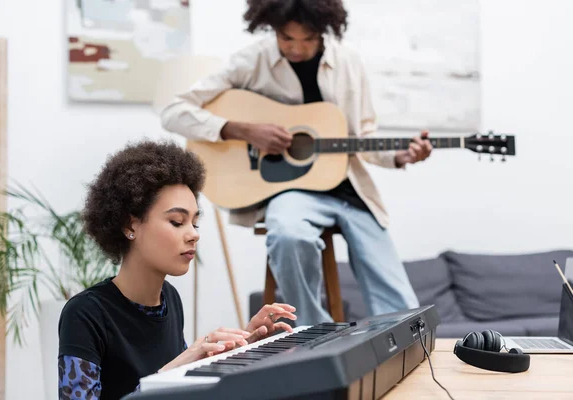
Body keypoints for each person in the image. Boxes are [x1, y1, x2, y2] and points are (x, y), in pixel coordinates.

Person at [160, 0, 432, 326]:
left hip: (350, 189)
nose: (296, 49)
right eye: (286, 38)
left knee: (395, 292)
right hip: (291, 192)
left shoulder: (348, 62)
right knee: (288, 236)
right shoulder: (252, 60)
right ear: (271, 27)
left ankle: (403, 344)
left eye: (308, 39)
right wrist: (240, 129)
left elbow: (364, 135)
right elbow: (174, 111)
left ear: (324, 31)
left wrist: (400, 157)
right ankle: (318, 335)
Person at [57, 140, 297, 400]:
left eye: (194, 223)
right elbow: (168, 380)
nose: (193, 235)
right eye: (177, 222)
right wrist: (173, 369)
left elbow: (178, 391)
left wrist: (241, 347)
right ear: (130, 225)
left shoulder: (170, 299)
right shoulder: (85, 314)